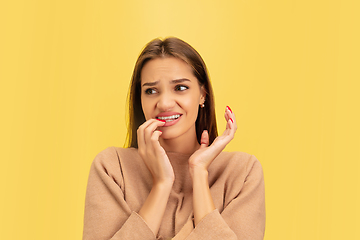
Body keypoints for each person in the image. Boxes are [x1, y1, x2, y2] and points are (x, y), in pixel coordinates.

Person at [83, 37, 265, 240]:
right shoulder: (112, 167)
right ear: (140, 99)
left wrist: (199, 173)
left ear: (202, 94)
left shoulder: (243, 172)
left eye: (180, 88)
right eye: (151, 91)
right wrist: (162, 184)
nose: (165, 103)